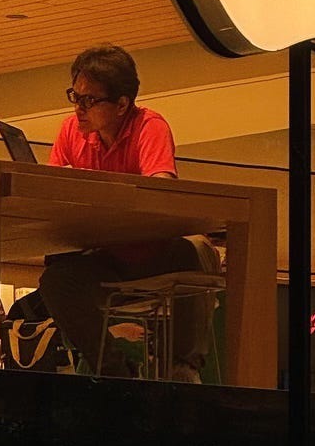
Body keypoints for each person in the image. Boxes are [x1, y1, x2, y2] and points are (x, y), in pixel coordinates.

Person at [35, 44, 207, 379]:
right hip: (103, 255)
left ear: (123, 105)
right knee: (55, 282)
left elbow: (161, 189)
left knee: (194, 252)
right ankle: (115, 374)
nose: (78, 109)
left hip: (152, 251)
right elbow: (50, 194)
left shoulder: (149, 127)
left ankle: (182, 368)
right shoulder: (71, 132)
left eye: (89, 100)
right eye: (75, 96)